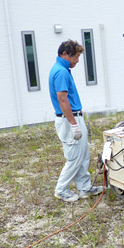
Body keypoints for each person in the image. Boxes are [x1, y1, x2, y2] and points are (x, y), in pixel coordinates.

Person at [49, 39, 102, 202]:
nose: (77, 61)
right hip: (69, 119)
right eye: (76, 57)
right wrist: (73, 124)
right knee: (74, 157)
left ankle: (84, 187)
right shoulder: (61, 72)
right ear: (65, 54)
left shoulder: (63, 69)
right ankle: (61, 189)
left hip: (74, 117)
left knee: (83, 154)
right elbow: (62, 99)